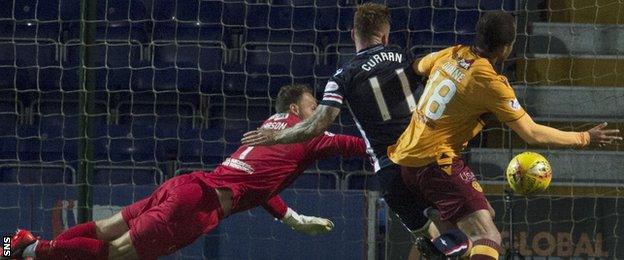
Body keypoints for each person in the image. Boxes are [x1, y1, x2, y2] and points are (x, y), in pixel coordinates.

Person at [7, 84, 368, 260]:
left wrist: (292, 217)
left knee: (105, 229)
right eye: (314, 106)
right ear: (296, 109)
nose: (321, 112)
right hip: (196, 205)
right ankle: (29, 249)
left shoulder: (270, 126)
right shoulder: (311, 134)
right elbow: (356, 146)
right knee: (115, 252)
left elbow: (261, 185)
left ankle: (12, 247)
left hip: (186, 184)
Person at [388, 11, 622, 260]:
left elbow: (417, 67)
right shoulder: (491, 83)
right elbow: (532, 134)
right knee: (489, 238)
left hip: (407, 160)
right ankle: (439, 249)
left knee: (484, 214)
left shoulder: (451, 53)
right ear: (506, 48)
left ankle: (441, 248)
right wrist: (585, 137)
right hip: (436, 164)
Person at [241, 2, 453, 258]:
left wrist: (276, 137)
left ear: (353, 33)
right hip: (429, 158)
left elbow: (318, 125)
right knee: (475, 227)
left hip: (390, 171)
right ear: (385, 36)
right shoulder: (406, 58)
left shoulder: (342, 76)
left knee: (429, 240)